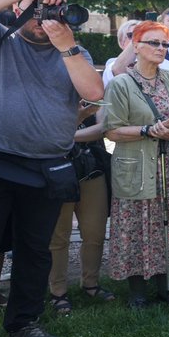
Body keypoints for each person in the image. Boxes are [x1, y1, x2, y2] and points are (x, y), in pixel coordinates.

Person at [0, 0, 105, 337]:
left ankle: (24, 323)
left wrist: (66, 44)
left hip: (48, 168)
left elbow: (94, 93)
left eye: (51, 10)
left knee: (35, 251)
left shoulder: (73, 52)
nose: (42, 17)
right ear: (17, 9)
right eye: (35, 9)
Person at [103, 21, 169, 309]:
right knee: (137, 225)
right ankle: (137, 292)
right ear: (136, 46)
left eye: (164, 44)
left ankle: (166, 286)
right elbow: (111, 130)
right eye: (153, 43)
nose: (160, 49)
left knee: (167, 224)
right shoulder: (122, 83)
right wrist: (148, 131)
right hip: (137, 166)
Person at [48, 103, 115, 315]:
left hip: (92, 168)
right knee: (59, 237)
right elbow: (49, 133)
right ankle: (58, 292)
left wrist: (70, 134)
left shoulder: (90, 92)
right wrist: (81, 116)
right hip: (58, 172)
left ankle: (91, 284)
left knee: (95, 232)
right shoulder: (48, 93)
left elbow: (104, 127)